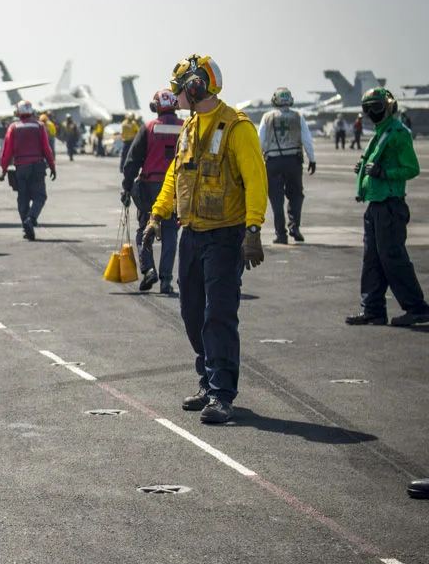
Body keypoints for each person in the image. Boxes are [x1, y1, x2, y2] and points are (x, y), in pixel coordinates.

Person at [141, 54, 267, 424]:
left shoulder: (236, 128)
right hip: (191, 235)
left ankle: (222, 395)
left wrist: (254, 230)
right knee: (192, 311)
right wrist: (157, 216)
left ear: (195, 87)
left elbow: (256, 180)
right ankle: (207, 381)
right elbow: (174, 178)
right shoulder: (191, 128)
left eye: (180, 87)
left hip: (226, 237)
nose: (176, 94)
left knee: (219, 315)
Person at [345, 87, 429, 327]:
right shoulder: (380, 133)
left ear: (389, 106)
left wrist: (385, 173)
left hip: (390, 205)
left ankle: (417, 307)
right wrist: (363, 174)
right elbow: (371, 164)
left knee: (392, 257)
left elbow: (412, 168)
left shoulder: (398, 133)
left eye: (377, 107)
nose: (372, 112)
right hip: (376, 205)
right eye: (367, 108)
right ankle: (373, 309)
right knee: (372, 259)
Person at [121, 89, 184, 294]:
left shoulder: (148, 128)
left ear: (155, 107)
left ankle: (148, 269)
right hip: (176, 189)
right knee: (170, 233)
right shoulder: (186, 128)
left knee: (144, 230)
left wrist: (127, 186)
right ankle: (166, 280)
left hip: (150, 188)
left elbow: (132, 161)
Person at [257, 86, 316, 244]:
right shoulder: (298, 116)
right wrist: (312, 159)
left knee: (276, 200)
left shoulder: (267, 117)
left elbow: (260, 141)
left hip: (273, 162)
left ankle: (280, 234)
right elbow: (307, 139)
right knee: (296, 195)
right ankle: (294, 226)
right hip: (293, 161)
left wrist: (257, 161)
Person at [0, 99, 56, 239]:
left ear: (18, 112)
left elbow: (7, 151)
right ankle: (31, 218)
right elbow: (46, 149)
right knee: (40, 196)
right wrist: (52, 166)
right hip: (37, 167)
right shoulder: (39, 126)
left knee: (22, 198)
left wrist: (4, 170)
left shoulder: (13, 127)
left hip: (21, 167)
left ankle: (26, 224)